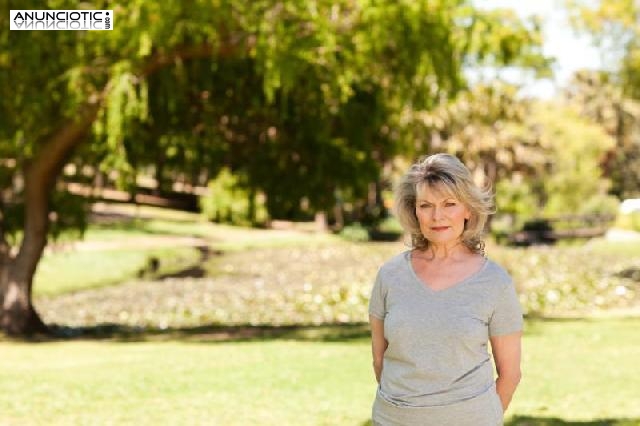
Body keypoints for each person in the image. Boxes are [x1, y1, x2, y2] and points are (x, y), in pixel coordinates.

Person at [369, 153, 523, 426]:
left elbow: (510, 374)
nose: (437, 216)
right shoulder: (390, 276)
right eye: (425, 205)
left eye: (449, 204)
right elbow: (380, 361)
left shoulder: (495, 283)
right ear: (414, 211)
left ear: (468, 209)